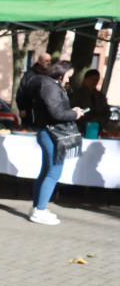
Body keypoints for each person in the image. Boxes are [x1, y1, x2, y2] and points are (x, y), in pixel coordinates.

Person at [30, 60, 87, 225]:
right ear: (61, 73)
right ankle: (39, 211)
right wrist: (74, 114)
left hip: (47, 132)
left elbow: (56, 111)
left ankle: (38, 208)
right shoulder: (50, 87)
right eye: (68, 76)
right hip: (51, 134)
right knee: (53, 173)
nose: (69, 79)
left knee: (46, 172)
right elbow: (56, 113)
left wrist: (71, 111)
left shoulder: (49, 85)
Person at [16, 52, 52, 129]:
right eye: (46, 61)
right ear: (39, 61)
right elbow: (21, 92)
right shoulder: (29, 75)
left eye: (49, 61)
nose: (48, 63)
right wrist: (22, 108)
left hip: (44, 111)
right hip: (29, 109)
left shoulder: (51, 75)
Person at [69, 68, 110, 135]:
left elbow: (107, 112)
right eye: (91, 79)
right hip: (79, 129)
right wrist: (88, 120)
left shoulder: (101, 96)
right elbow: (72, 111)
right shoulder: (76, 95)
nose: (93, 82)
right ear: (85, 80)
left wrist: (99, 119)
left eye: (96, 80)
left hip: (97, 128)